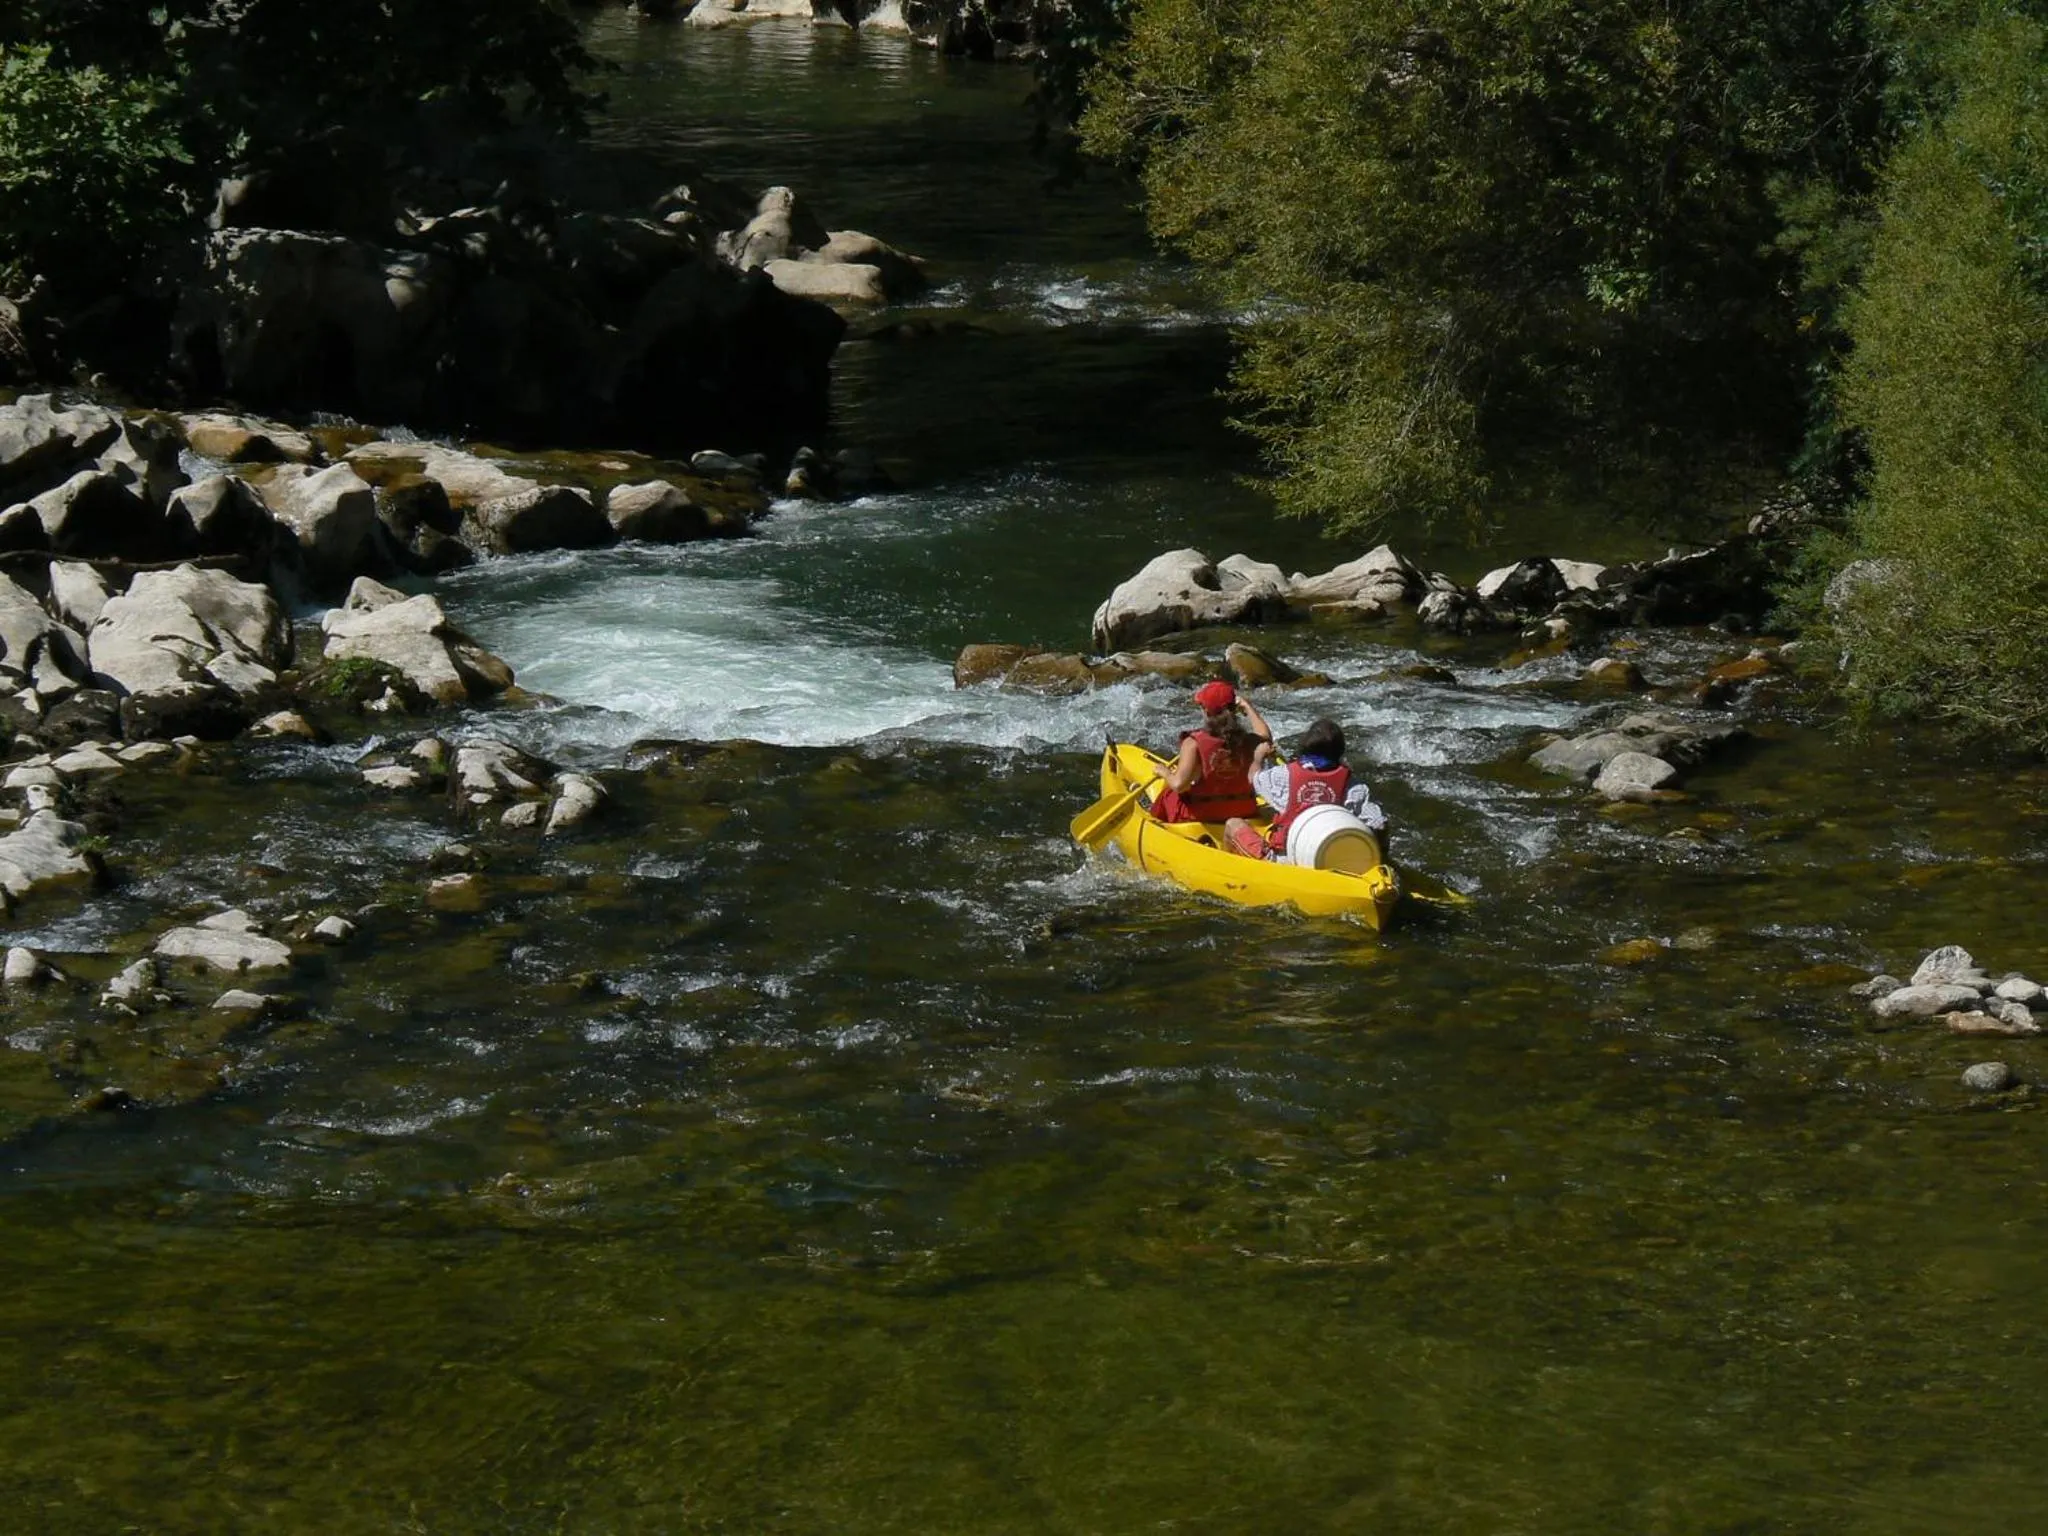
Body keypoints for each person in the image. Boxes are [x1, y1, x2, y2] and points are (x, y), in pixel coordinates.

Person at [1225, 715, 1390, 862]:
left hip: (1285, 860)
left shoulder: (1283, 775)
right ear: (1339, 751)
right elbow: (1380, 824)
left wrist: (1258, 757)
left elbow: (1254, 778)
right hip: (1331, 859)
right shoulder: (1353, 785)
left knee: (1233, 824)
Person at [1149, 680, 1273, 825]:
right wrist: (1248, 707)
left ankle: (1157, 827)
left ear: (1206, 711)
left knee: (1168, 794)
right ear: (1234, 709)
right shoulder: (1250, 741)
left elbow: (1179, 785)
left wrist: (1164, 772)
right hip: (1244, 811)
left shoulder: (1193, 742)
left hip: (1203, 816)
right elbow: (1266, 738)